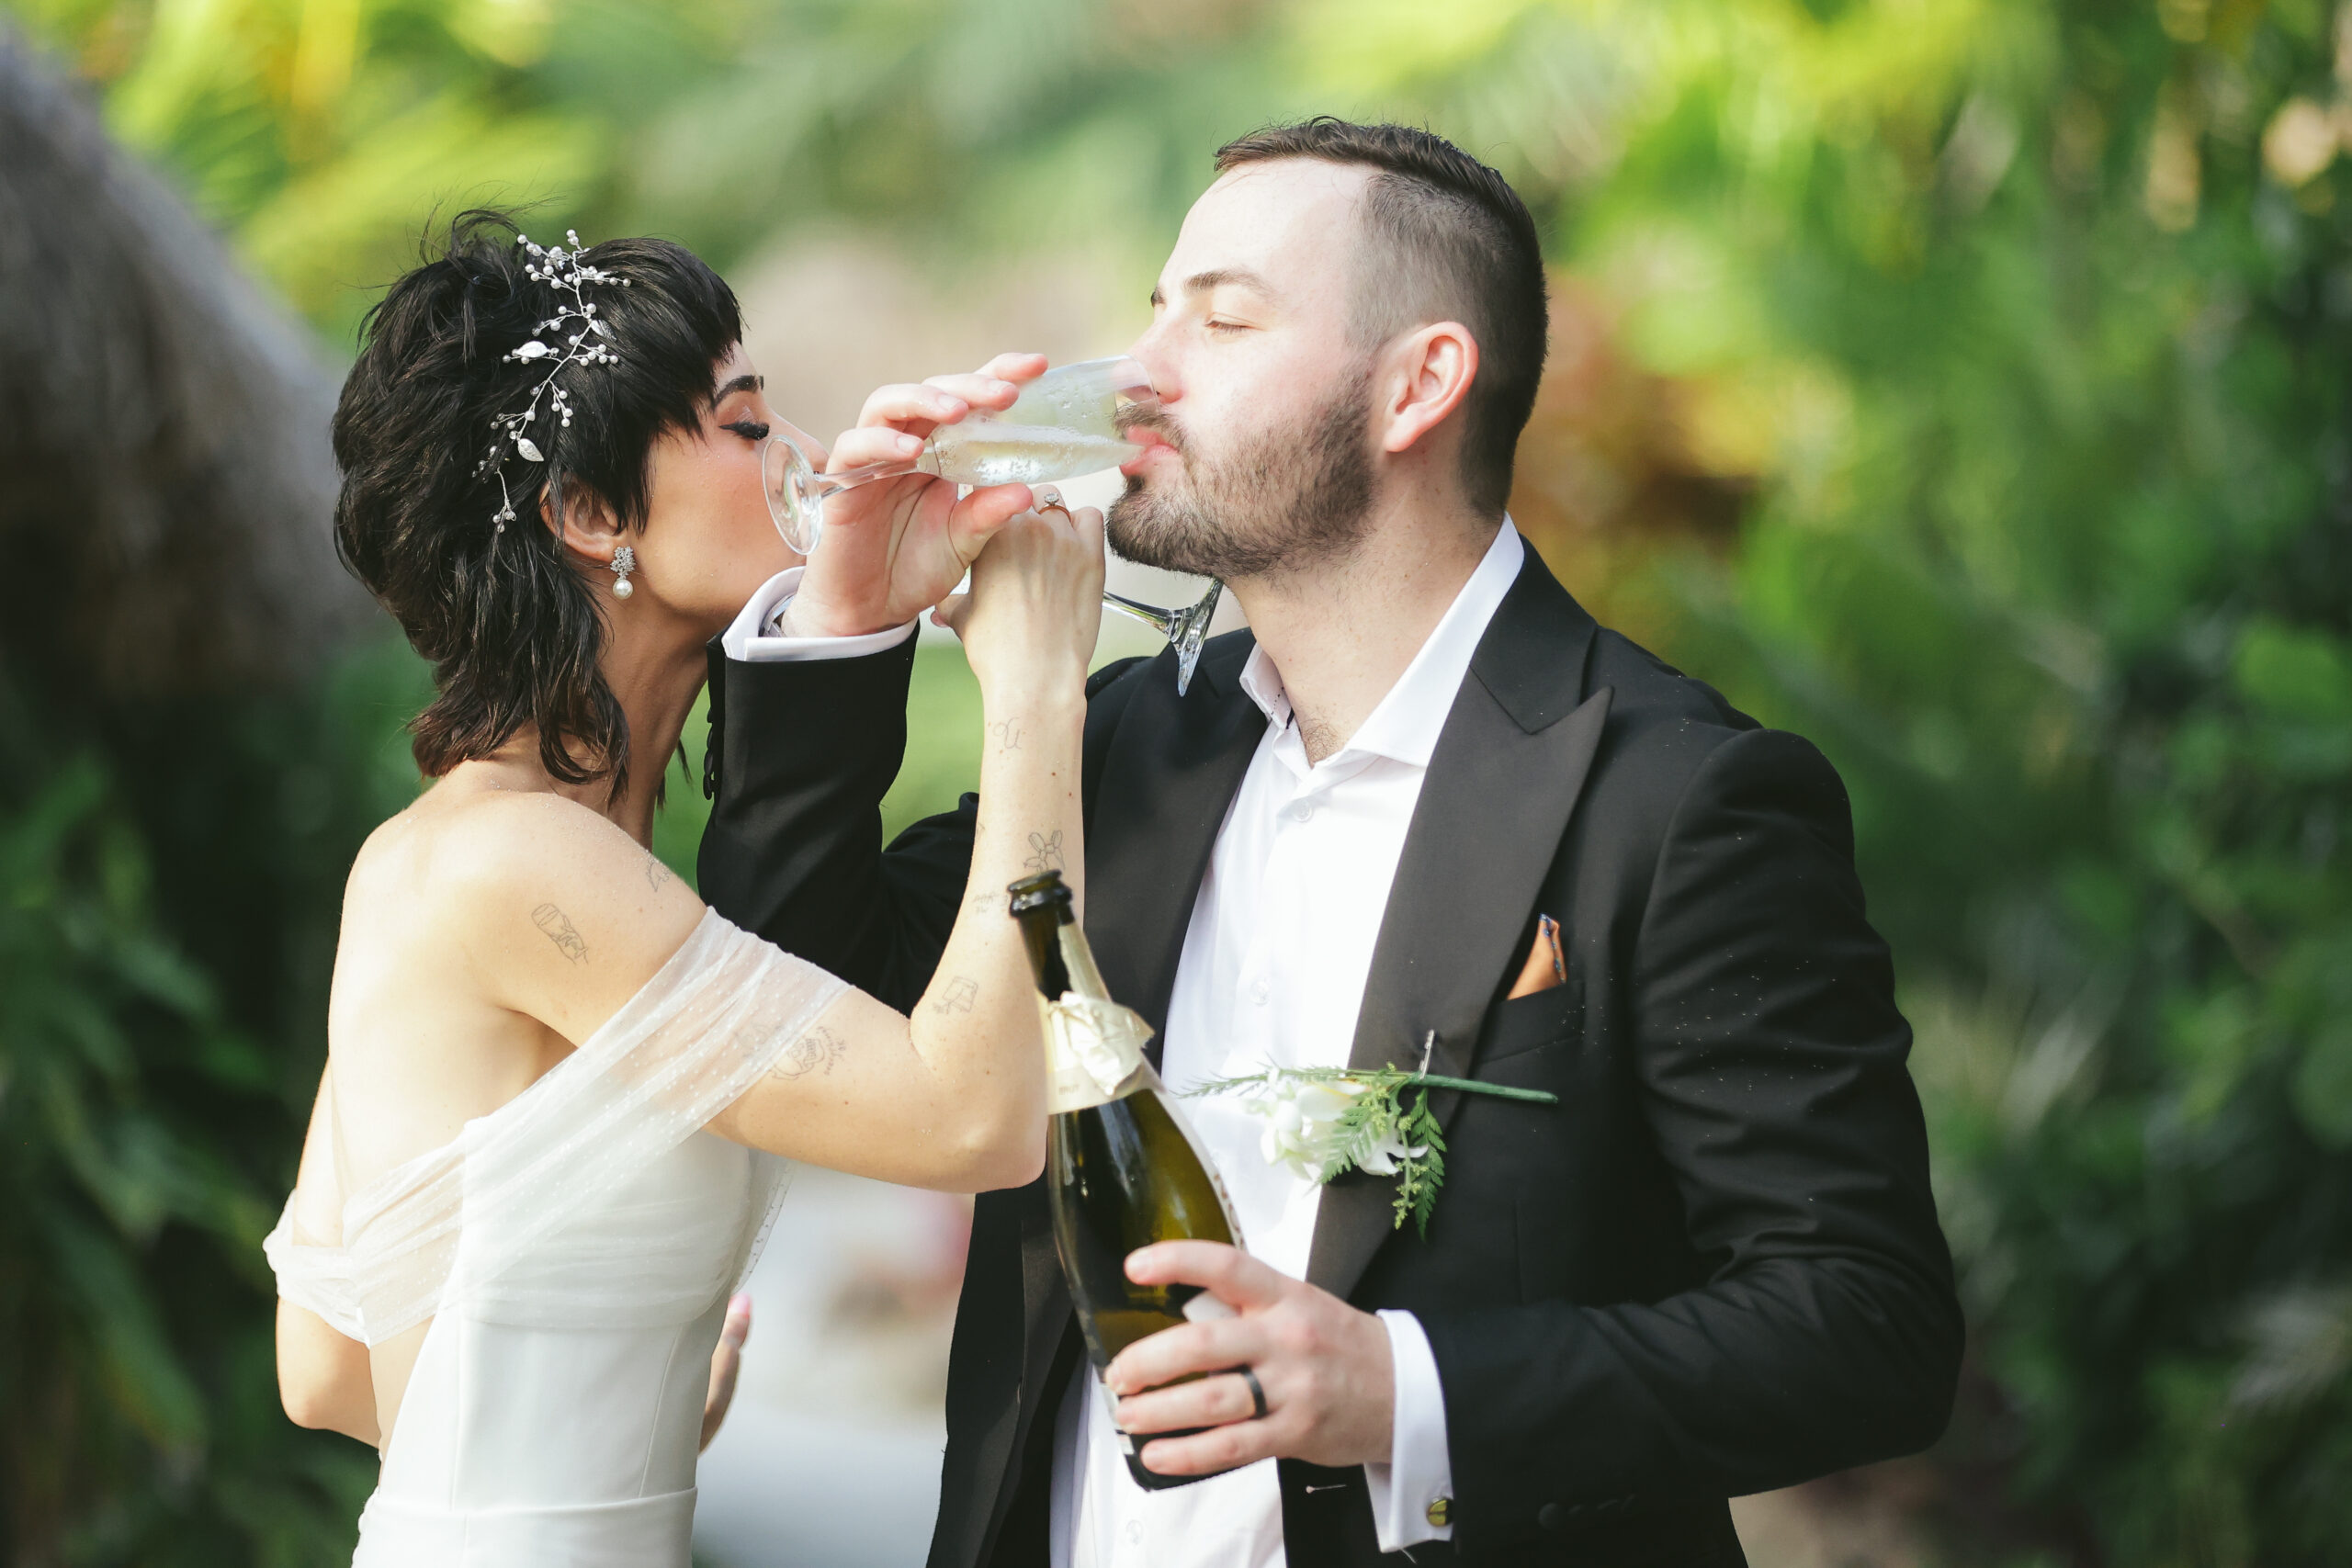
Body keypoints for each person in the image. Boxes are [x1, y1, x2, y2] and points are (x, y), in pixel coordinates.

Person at [698, 120, 1965, 1566]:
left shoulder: (1678, 796)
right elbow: (792, 1004)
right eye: (1156, 307)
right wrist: (847, 615)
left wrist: (1397, 1395)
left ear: (1418, 383)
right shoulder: (1120, 745)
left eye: (1223, 318)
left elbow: (1866, 1325)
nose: (1143, 368)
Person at [264, 211, 1104, 1567]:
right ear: (593, 515)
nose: (804, 460)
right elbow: (977, 1120)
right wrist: (1037, 684)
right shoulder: (519, 865)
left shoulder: (453, 855)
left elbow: (326, 1363)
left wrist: (594, 1414)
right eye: (748, 424)